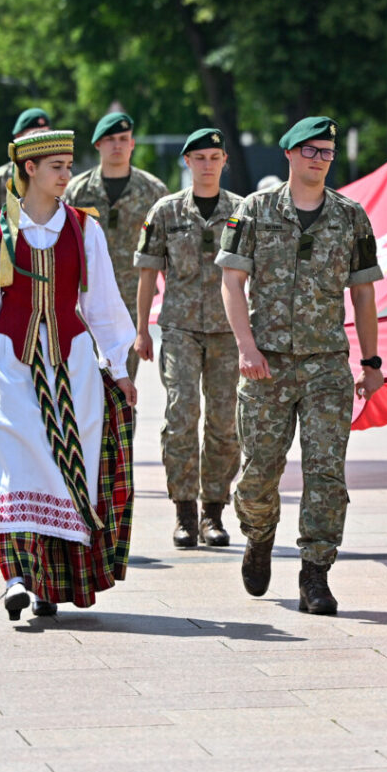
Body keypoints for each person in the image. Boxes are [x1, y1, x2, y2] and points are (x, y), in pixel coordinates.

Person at [0, 129, 138, 621]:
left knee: (61, 469)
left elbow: (102, 306)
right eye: (56, 165)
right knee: (15, 464)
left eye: (68, 165)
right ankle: (14, 576)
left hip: (72, 368)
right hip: (9, 366)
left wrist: (119, 369)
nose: (65, 174)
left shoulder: (83, 229)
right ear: (29, 169)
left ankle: (47, 583)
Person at [219, 116, 384, 616]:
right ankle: (259, 534)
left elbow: (364, 294)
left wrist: (371, 362)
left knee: (326, 473)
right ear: (289, 154)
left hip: (326, 367)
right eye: (310, 150)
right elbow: (231, 284)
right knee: (257, 474)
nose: (319, 159)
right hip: (265, 367)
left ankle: (315, 572)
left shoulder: (351, 216)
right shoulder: (252, 211)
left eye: (327, 152)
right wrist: (246, 348)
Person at [135, 128, 245, 549]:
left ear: (224, 161)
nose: (207, 164)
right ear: (187, 162)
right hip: (179, 327)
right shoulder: (165, 211)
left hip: (227, 330)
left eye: (214, 157)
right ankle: (183, 510)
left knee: (222, 422)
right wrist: (143, 329)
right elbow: (147, 271)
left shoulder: (242, 210)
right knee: (181, 414)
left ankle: (213, 512)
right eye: (199, 157)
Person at [65, 111, 168, 377]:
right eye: (110, 139)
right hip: (83, 302)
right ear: (98, 144)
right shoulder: (76, 191)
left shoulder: (153, 191)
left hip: (132, 304)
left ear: (133, 143)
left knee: (123, 387)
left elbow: (168, 250)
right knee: (84, 383)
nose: (118, 145)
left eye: (124, 138)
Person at [0, 108, 52, 212]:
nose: (41, 143)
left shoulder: (57, 176)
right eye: (35, 136)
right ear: (18, 137)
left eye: (46, 137)